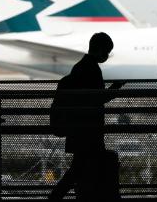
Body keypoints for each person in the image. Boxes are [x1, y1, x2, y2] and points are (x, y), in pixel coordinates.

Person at [49, 32, 124, 201]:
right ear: (98, 50)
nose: (106, 56)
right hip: (88, 131)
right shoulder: (91, 69)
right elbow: (97, 98)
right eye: (105, 52)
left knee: (80, 169)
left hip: (79, 130)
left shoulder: (80, 67)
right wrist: (115, 88)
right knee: (85, 169)